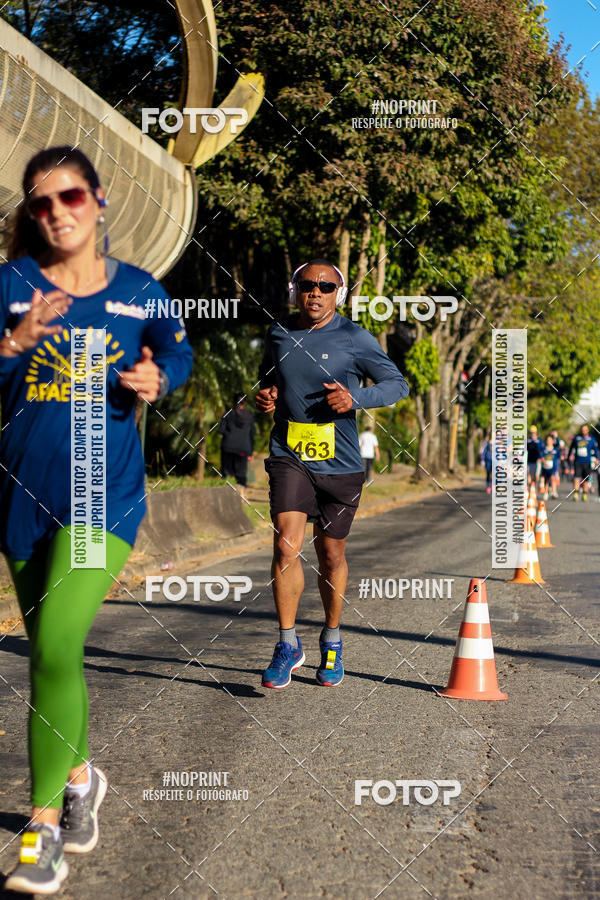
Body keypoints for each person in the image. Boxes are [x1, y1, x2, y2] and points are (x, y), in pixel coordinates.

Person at [1, 147, 192, 894]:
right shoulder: (11, 285)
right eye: (41, 204)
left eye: (70, 196)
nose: (57, 213)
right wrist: (15, 342)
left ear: (100, 199)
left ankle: (41, 828)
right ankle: (81, 778)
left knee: (52, 641)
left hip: (101, 499)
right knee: (56, 660)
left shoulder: (143, 293)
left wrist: (159, 377)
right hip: (18, 497)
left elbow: (178, 356)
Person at [255, 259, 409, 689]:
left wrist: (355, 398)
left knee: (331, 555)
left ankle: (332, 639)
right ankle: (287, 644)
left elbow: (398, 384)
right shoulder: (279, 332)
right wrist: (265, 397)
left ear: (338, 294)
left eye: (326, 286)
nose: (316, 292)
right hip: (289, 454)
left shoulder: (354, 337)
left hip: (340, 465)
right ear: (296, 290)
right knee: (287, 545)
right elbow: (268, 379)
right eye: (308, 285)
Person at [219, 391, 255, 501]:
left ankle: (226, 496)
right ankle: (242, 495)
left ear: (233, 401)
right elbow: (252, 434)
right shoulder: (249, 416)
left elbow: (221, 430)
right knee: (241, 473)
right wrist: (250, 452)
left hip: (228, 447)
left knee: (227, 472)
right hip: (243, 449)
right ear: (244, 402)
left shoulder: (228, 413)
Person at [568, 424, 599, 501]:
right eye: (582, 429)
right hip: (578, 461)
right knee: (576, 477)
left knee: (586, 479)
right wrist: (569, 456)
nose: (583, 431)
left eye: (585, 430)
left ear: (587, 430)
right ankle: (576, 493)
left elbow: (595, 450)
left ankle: (584, 494)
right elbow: (571, 448)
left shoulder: (591, 439)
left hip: (587, 462)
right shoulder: (577, 438)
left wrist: (597, 459)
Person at [540, 434, 559, 500]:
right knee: (547, 480)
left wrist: (557, 466)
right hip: (545, 467)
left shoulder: (555, 450)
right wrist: (544, 462)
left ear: (553, 441)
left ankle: (554, 492)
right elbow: (541, 457)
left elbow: (558, 458)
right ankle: (546, 492)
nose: (549, 441)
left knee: (553, 478)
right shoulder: (544, 449)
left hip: (553, 467)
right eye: (548, 440)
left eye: (550, 440)